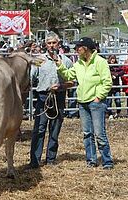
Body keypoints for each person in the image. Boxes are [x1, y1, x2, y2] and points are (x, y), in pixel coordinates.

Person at [56, 37, 114, 169]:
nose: (76, 50)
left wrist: (98, 97)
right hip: (83, 102)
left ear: (86, 48)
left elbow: (107, 82)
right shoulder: (78, 64)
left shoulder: (100, 62)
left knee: (99, 133)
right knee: (87, 133)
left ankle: (107, 161)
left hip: (95, 103)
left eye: (79, 47)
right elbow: (69, 75)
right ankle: (91, 160)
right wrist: (59, 65)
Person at [28, 31, 73, 168]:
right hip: (43, 96)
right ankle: (35, 160)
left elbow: (71, 81)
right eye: (49, 43)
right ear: (46, 44)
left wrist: (61, 86)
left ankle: (51, 159)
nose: (52, 45)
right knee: (39, 129)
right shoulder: (39, 59)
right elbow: (31, 78)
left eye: (54, 43)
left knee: (55, 128)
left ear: (58, 44)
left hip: (58, 96)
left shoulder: (66, 60)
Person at [107, 54, 124, 119]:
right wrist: (111, 75)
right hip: (109, 86)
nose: (112, 60)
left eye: (113, 58)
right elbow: (105, 72)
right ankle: (110, 114)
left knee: (118, 100)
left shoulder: (117, 66)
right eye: (111, 58)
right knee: (109, 101)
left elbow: (122, 71)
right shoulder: (107, 65)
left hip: (116, 86)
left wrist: (116, 74)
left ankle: (118, 112)